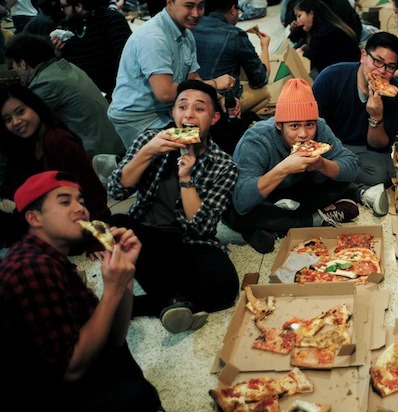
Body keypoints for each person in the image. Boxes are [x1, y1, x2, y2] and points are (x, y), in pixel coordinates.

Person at [0, 171, 162, 411]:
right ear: (34, 218)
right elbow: (70, 370)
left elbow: (116, 339)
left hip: (78, 364)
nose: (81, 209)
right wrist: (112, 289)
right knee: (138, 395)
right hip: (44, 394)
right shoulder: (31, 268)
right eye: (65, 202)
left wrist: (125, 275)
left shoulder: (52, 258)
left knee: (127, 367)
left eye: (81, 201)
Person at [107, 80, 239, 333]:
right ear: (173, 113)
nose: (188, 114)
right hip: (146, 232)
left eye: (199, 109)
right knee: (116, 225)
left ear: (214, 118)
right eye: (182, 107)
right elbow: (116, 190)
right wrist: (147, 152)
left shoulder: (224, 165)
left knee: (225, 289)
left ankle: (144, 304)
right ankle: (177, 300)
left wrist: (186, 178)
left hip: (190, 241)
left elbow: (202, 229)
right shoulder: (150, 139)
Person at [224, 79, 362, 253]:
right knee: (237, 214)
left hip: (298, 192)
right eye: (294, 126)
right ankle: (314, 220)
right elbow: (242, 200)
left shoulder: (320, 127)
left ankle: (275, 228)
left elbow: (352, 165)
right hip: (266, 198)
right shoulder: (256, 140)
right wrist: (283, 169)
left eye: (309, 125)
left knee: (338, 178)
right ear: (278, 124)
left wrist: (322, 165)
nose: (303, 134)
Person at [107, 0, 236, 148]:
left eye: (200, 7)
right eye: (189, 6)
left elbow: (193, 80)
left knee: (226, 122)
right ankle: (120, 160)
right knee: (196, 140)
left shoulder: (186, 34)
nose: (196, 14)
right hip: (139, 119)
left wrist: (218, 98)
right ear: (170, 3)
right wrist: (215, 83)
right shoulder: (154, 38)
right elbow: (166, 93)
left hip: (169, 111)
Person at [312, 32, 398, 198]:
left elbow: (379, 146)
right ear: (363, 56)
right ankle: (357, 190)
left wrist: (376, 117)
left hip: (366, 151)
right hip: (330, 146)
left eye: (390, 67)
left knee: (379, 175)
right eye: (377, 61)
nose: (381, 71)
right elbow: (314, 128)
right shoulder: (330, 78)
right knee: (310, 172)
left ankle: (337, 185)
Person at [0, 85, 110, 227]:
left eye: (20, 112)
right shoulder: (23, 147)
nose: (16, 122)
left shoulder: (59, 140)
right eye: (7, 119)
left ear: (35, 106)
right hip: (46, 225)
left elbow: (92, 195)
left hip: (82, 225)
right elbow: (11, 191)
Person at [5, 34, 125, 159]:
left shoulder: (45, 84)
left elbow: (28, 123)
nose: (13, 68)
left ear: (23, 64)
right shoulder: (66, 67)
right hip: (113, 143)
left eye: (13, 64)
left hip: (97, 155)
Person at [192, 0, 270, 155]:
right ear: (233, 9)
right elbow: (260, 78)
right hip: (219, 104)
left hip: (189, 99)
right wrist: (265, 46)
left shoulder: (190, 28)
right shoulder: (235, 35)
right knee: (265, 92)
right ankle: (240, 122)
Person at [55, 0, 132, 98]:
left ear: (79, 6)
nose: (62, 10)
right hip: (82, 94)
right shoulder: (65, 26)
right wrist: (58, 53)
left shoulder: (112, 20)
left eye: (64, 7)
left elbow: (126, 62)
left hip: (115, 92)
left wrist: (112, 95)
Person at [293, 0, 360, 76]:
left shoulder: (325, 33)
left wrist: (300, 52)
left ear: (311, 14)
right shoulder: (327, 27)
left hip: (345, 75)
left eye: (299, 16)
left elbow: (309, 62)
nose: (297, 21)